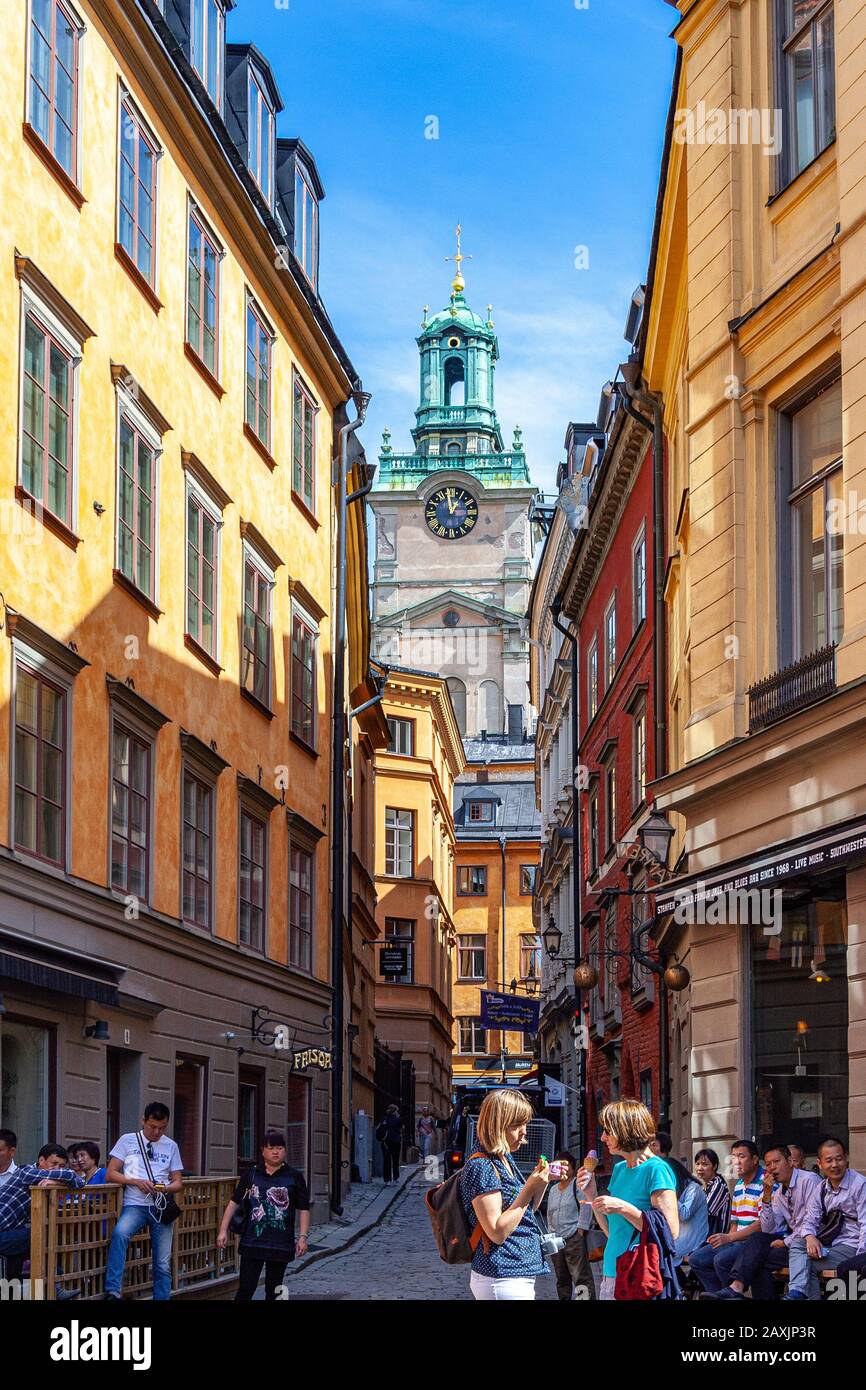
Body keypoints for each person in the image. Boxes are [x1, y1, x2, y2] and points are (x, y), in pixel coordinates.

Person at [579, 1098, 679, 1301]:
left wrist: (623, 1208)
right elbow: (612, 1231)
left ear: (626, 1130)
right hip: (612, 1269)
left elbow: (671, 1230)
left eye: (608, 1131)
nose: (603, 1137)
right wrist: (592, 1195)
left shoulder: (656, 1169)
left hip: (637, 1273)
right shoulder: (619, 1169)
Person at [457, 1088, 550, 1300]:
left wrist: (541, 1182)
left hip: (515, 1272)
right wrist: (528, 1188)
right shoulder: (482, 1166)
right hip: (501, 1275)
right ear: (498, 1124)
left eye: (525, 1124)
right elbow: (497, 1232)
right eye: (517, 1125)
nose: (524, 1131)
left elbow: (525, 1212)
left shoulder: (503, 1159)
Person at [701, 1143, 820, 1300]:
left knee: (753, 1257)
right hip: (792, 1243)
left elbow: (812, 1221)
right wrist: (767, 1195)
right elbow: (768, 1227)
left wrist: (785, 1242)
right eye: (769, 1164)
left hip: (812, 1242)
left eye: (777, 1162)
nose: (772, 1168)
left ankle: (736, 1289)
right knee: (757, 1246)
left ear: (790, 1161)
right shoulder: (778, 1192)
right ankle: (736, 1287)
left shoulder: (809, 1180)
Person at [103, 1102, 183, 1301]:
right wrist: (134, 1181)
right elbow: (110, 1173)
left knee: (162, 1261)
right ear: (143, 1121)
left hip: (160, 1204)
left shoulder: (171, 1145)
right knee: (120, 1234)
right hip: (135, 1203)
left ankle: (162, 1297)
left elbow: (178, 1182)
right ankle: (113, 1291)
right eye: (152, 1127)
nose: (157, 1132)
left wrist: (163, 1187)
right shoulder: (127, 1140)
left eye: (162, 1128)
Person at [217, 1130, 310, 1300]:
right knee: (246, 1288)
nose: (275, 1152)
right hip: (253, 1242)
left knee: (275, 1291)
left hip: (280, 1243)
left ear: (285, 1151)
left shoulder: (295, 1177)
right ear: (262, 1151)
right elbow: (234, 1202)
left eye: (280, 1148)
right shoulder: (251, 1174)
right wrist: (223, 1230)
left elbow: (303, 1208)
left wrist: (303, 1237)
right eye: (271, 1148)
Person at [785, 1137, 866, 1300]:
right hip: (831, 1242)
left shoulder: (859, 1184)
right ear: (820, 1163)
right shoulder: (821, 1188)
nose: (835, 1165)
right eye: (829, 1161)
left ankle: (796, 1293)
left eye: (839, 1159)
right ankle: (797, 1293)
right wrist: (810, 1237)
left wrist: (860, 1258)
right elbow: (810, 1218)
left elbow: (865, 1224)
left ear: (846, 1158)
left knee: (807, 1266)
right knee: (799, 1243)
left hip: (853, 1244)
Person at [689, 1140, 767, 1294]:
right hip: (737, 1239)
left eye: (741, 1156)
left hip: (754, 1242)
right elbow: (735, 1221)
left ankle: (730, 1295)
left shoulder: (766, 1182)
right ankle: (719, 1294)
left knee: (721, 1260)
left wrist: (730, 1239)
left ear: (755, 1159)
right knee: (696, 1259)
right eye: (733, 1157)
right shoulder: (738, 1185)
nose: (736, 1162)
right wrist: (727, 1239)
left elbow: (762, 1224)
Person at [0, 1143, 82, 1284]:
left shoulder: (42, 1178)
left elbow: (79, 1182)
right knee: (40, 1235)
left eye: (61, 1166)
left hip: (6, 1232)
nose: (57, 1169)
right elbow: (72, 1176)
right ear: (41, 1160)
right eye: (54, 1163)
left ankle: (18, 1292)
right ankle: (56, 1284)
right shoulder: (26, 1172)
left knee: (27, 1244)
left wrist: (54, 1182)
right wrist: (59, 1180)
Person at [545, 1149, 596, 1301]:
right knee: (562, 1279)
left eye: (566, 1166)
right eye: (560, 1166)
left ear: (573, 1168)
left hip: (573, 1237)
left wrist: (580, 1230)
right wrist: (550, 1233)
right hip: (556, 1241)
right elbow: (550, 1212)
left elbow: (586, 1206)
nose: (563, 1169)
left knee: (580, 1278)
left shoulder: (577, 1185)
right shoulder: (553, 1189)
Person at [652, 1131, 708, 1266]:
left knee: (659, 1253)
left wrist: (667, 1195)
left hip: (691, 1240)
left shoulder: (693, 1188)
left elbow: (684, 1214)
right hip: (677, 1235)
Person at [694, 1148, 732, 1236]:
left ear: (714, 1166)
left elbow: (705, 1212)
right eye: (697, 1164)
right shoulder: (705, 1186)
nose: (699, 1168)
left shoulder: (718, 1185)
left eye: (705, 1164)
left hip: (716, 1238)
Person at [377, 1105, 403, 1184]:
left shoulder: (383, 1118)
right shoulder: (398, 1120)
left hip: (385, 1142)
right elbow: (401, 1129)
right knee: (395, 1161)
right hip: (395, 1142)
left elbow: (379, 1129)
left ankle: (387, 1179)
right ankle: (395, 1178)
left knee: (386, 1161)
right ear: (395, 1111)